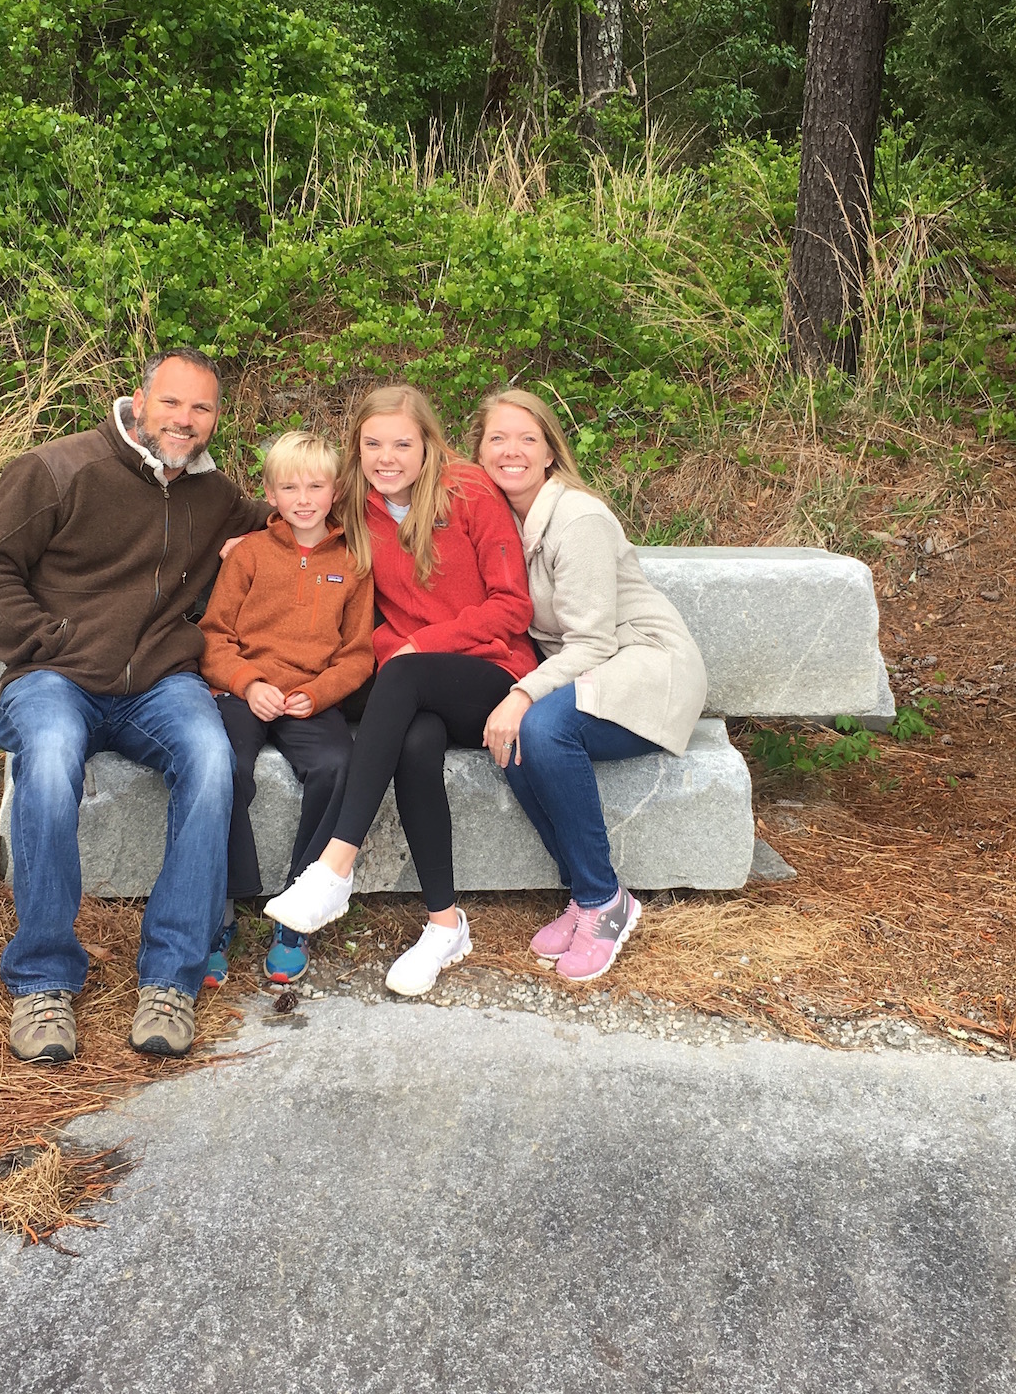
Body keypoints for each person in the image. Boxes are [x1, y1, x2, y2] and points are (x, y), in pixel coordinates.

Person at [0, 349, 269, 1063]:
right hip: (55, 677)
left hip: (159, 684)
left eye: (202, 409)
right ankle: (42, 981)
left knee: (212, 758)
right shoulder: (57, 470)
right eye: (173, 404)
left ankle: (170, 979)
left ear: (216, 419)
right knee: (48, 758)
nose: (185, 420)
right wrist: (45, 641)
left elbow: (289, 514)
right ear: (139, 399)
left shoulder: (212, 493)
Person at [264, 383, 536, 997]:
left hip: (490, 672)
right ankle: (446, 925)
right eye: (373, 444)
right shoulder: (357, 505)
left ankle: (335, 865)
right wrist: (237, 541)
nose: (387, 457)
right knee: (415, 741)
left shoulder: (469, 492)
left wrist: (422, 646)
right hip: (415, 689)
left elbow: (512, 607)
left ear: (429, 445)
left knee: (403, 674)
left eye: (403, 444)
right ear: (356, 448)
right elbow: (292, 506)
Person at [472, 388, 708, 982]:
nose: (511, 451)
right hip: (592, 671)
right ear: (478, 451)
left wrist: (522, 692)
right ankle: (586, 895)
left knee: (540, 728)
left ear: (551, 452)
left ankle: (604, 901)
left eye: (527, 438)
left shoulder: (576, 518)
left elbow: (594, 641)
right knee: (510, 739)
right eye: (497, 438)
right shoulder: (502, 520)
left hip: (647, 669)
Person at [198, 431, 374, 985]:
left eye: (316, 486)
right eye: (289, 486)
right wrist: (248, 683)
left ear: (336, 491)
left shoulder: (353, 561)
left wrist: (319, 694)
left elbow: (358, 654)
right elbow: (213, 637)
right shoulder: (249, 553)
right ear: (270, 493)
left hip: (311, 698)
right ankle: (223, 907)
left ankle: (299, 904)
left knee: (337, 766)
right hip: (245, 692)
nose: (303, 497)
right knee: (224, 767)